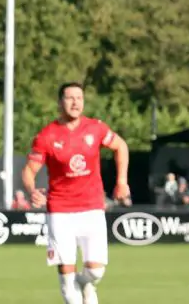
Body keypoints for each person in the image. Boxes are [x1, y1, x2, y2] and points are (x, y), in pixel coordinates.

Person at [22, 82, 130, 304]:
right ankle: (76, 289)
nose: (75, 102)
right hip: (60, 211)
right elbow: (28, 171)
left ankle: (85, 283)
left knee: (96, 271)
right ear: (60, 103)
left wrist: (121, 182)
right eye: (70, 98)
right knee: (67, 278)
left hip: (92, 208)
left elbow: (121, 146)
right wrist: (32, 190)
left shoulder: (95, 128)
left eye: (79, 98)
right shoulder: (47, 136)